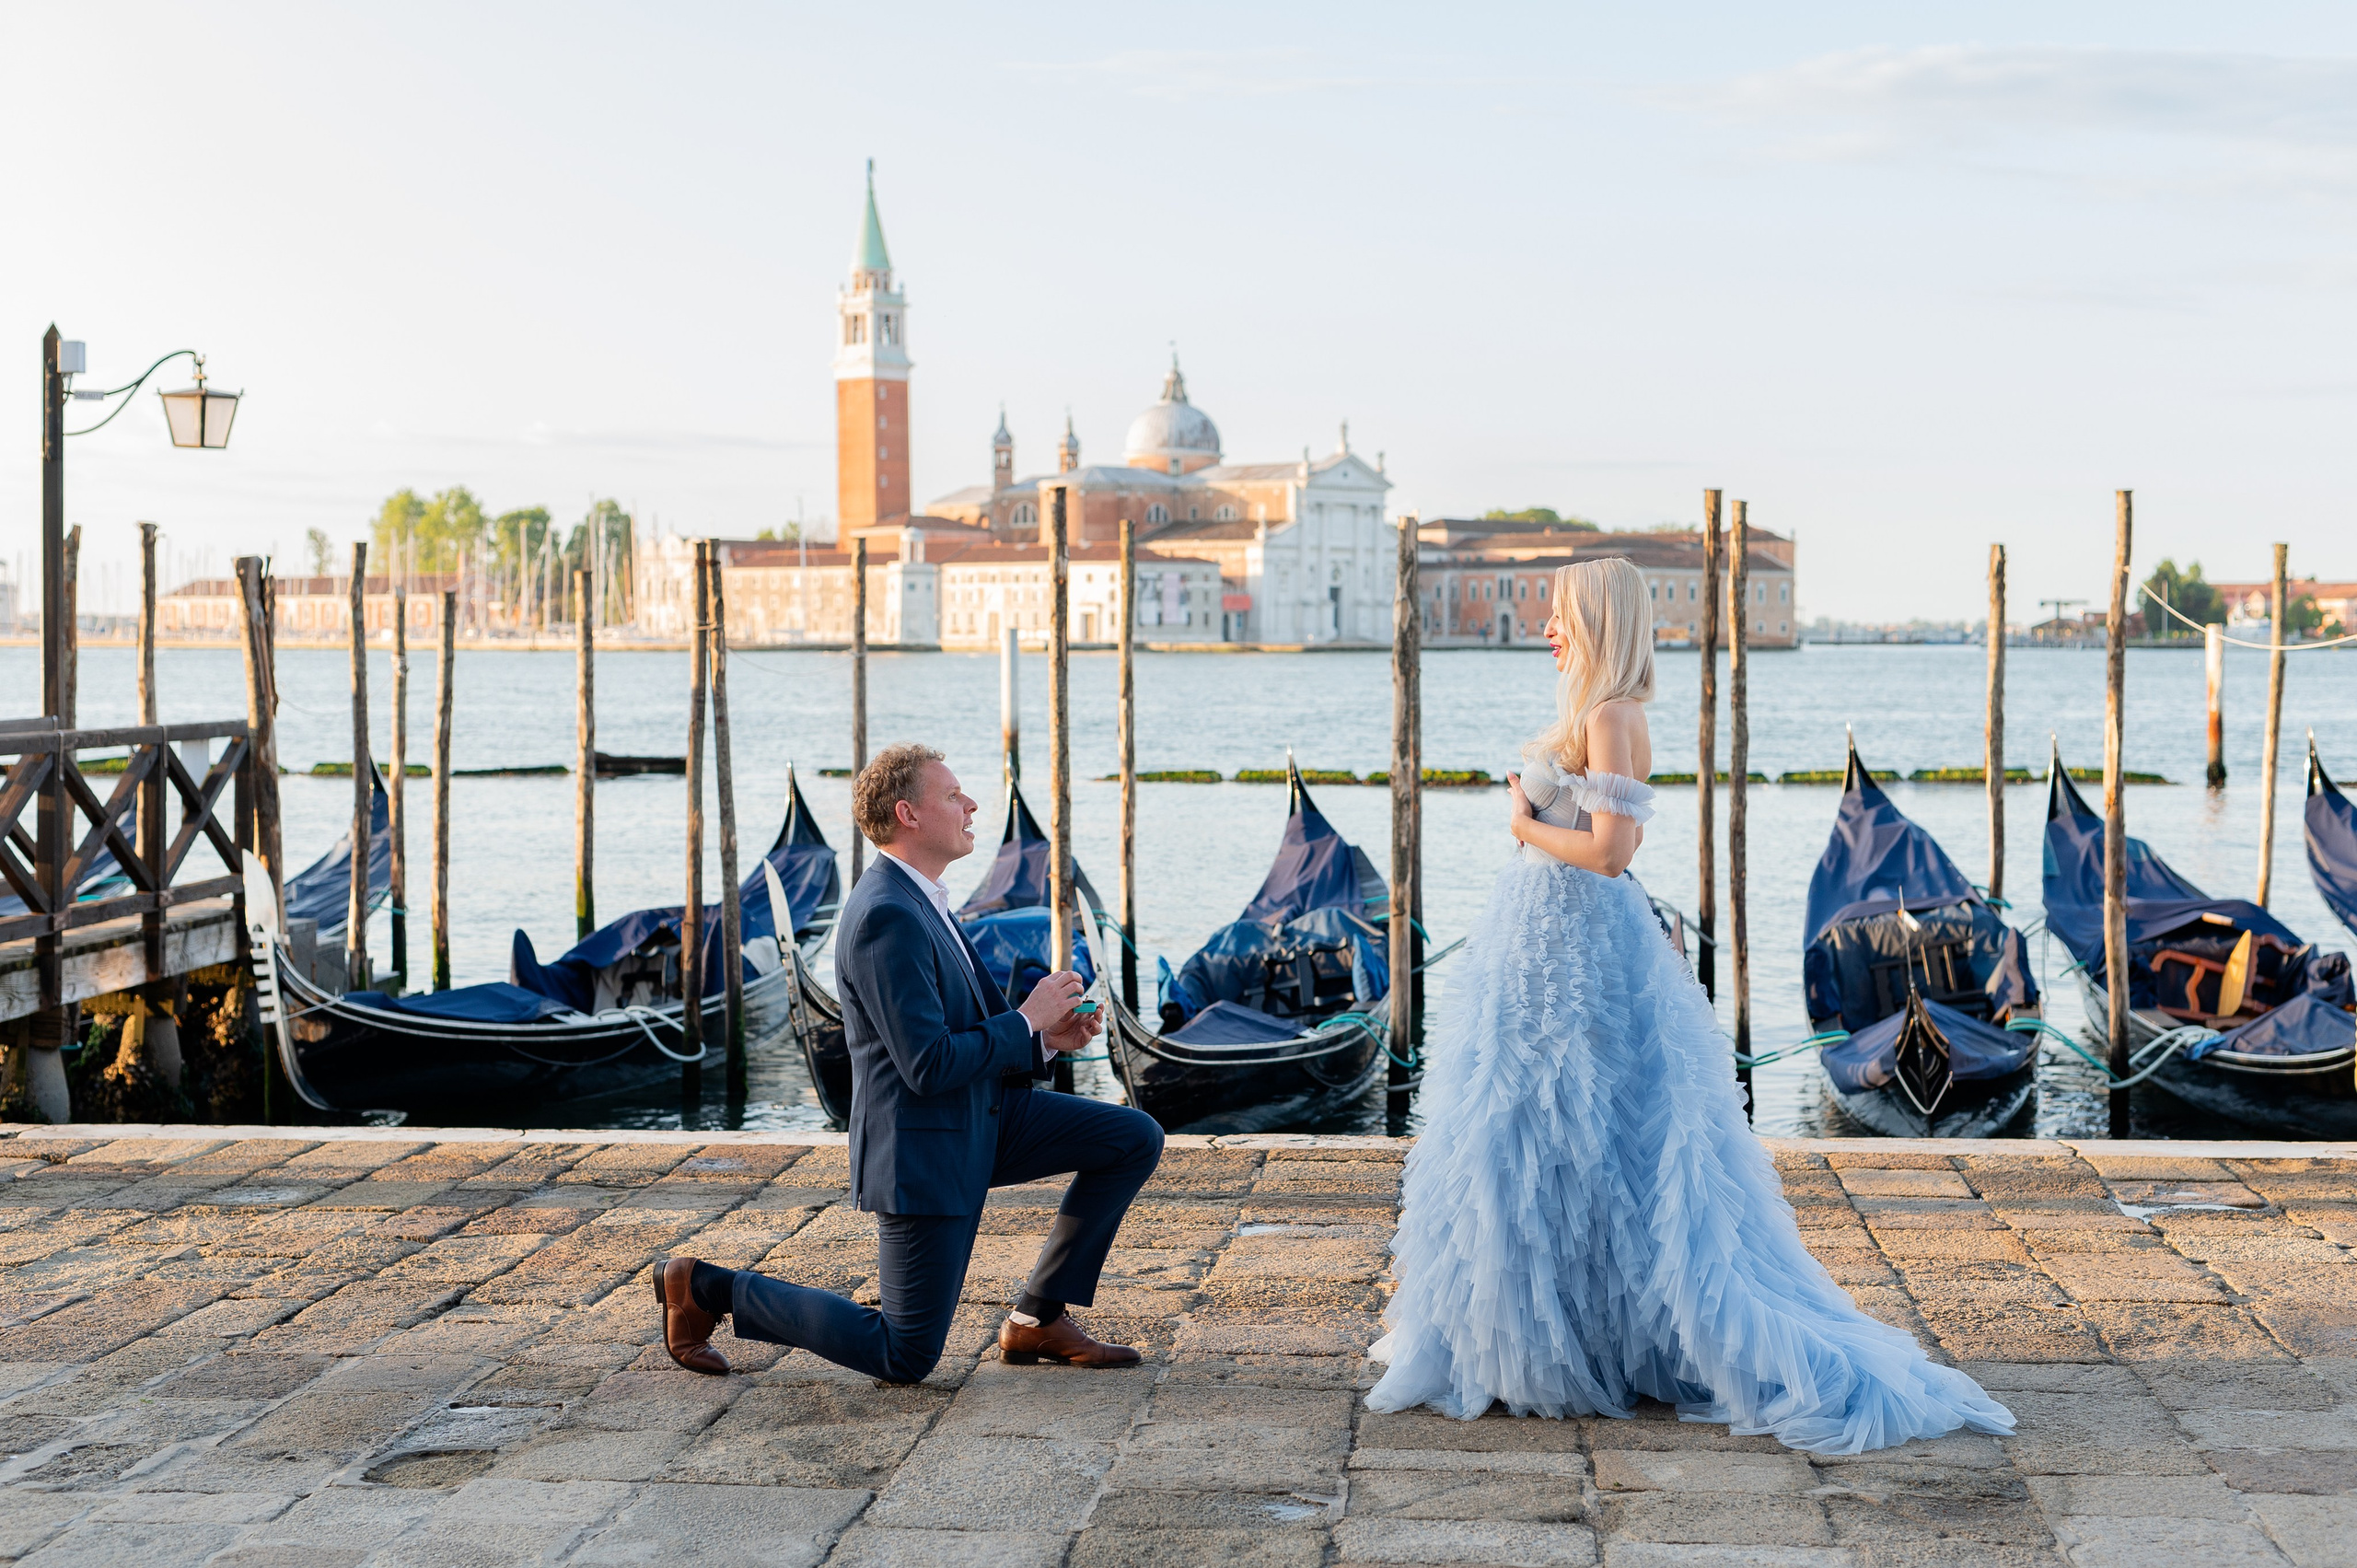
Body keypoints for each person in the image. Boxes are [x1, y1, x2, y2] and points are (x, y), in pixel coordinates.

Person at [1366, 557, 2014, 1455]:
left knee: (1588, 1130)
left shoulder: (1610, 715)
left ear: (1597, 620)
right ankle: (1541, 1333)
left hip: (1576, 943)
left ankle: (1584, 1338)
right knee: (1535, 1133)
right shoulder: (1590, 712)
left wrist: (1521, 824)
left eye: (1559, 615)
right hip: (1542, 949)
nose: (1544, 627)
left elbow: (1607, 850)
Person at [656, 743, 1164, 1381]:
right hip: (924, 1147)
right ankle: (706, 1288)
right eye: (953, 795)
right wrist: (1026, 1017)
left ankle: (1036, 1318)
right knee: (906, 1354)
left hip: (983, 1116)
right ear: (909, 814)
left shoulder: (924, 897)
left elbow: (962, 1030)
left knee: (1131, 1137)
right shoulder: (886, 915)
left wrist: (1044, 1041)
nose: (972, 803)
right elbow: (926, 1064)